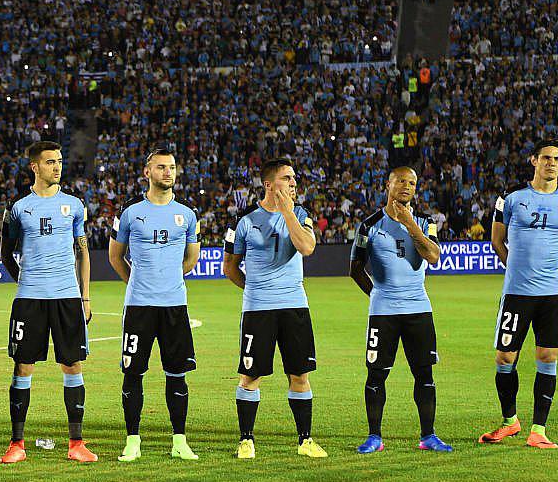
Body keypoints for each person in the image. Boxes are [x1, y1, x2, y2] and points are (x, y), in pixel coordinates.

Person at [479, 141, 558, 449]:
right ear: (534, 161)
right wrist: (516, 270)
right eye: (546, 158)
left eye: (557, 159)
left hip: (552, 295)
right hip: (516, 293)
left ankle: (538, 429)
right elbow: (497, 240)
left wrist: (556, 271)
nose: (551, 163)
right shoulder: (511, 199)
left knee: (547, 357)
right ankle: (510, 422)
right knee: (504, 357)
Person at [0, 140, 96, 464]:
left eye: (59, 161)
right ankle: (16, 444)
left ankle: (77, 443)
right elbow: (5, 253)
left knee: (73, 364)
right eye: (50, 162)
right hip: (30, 299)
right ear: (34, 166)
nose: (57, 167)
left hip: (67, 297)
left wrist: (85, 295)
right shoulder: (18, 208)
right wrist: (26, 281)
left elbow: (82, 251)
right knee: (23, 366)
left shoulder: (75, 206)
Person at [223, 158, 326, 459]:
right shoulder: (243, 220)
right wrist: (256, 289)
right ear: (269, 184)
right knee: (250, 376)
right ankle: (246, 440)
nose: (294, 183)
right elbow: (229, 266)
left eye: (294, 178)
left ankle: (305, 440)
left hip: (295, 307)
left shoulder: (301, 214)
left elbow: (306, 248)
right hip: (258, 310)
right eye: (286, 178)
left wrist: (288, 213)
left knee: (300, 375)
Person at [349, 166, 453, 453]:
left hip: (419, 310)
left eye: (412, 183)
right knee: (376, 374)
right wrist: (378, 295)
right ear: (388, 185)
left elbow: (432, 256)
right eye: (401, 181)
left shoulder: (425, 222)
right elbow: (355, 268)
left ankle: (429, 436)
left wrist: (411, 225)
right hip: (383, 312)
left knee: (424, 374)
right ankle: (374, 437)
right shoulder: (369, 225)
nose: (407, 186)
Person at [107, 149, 202, 462]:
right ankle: (133, 440)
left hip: (175, 305)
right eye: (161, 167)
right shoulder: (131, 214)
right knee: (133, 373)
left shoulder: (188, 215)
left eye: (172, 167)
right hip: (139, 307)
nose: (168, 172)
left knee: (177, 374)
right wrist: (139, 282)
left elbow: (191, 259)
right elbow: (115, 256)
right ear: (147, 172)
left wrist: (168, 279)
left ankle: (179, 440)